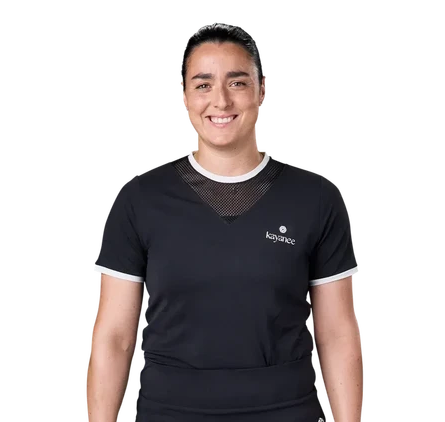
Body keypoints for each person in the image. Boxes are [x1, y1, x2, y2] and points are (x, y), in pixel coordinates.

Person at [85, 21, 364, 422]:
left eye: (237, 82)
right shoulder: (139, 201)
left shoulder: (316, 199)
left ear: (262, 90)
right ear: (183, 98)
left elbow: (337, 334)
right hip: (169, 412)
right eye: (203, 85)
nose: (220, 100)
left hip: (286, 411)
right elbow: (114, 337)